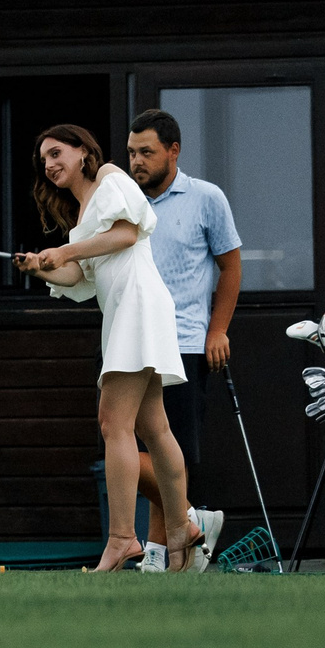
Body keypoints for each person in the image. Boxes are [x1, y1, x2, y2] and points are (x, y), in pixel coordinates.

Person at [12, 124, 195, 572]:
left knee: (113, 422)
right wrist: (41, 267)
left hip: (138, 303)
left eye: (57, 153)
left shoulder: (111, 176)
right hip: (125, 311)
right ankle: (181, 531)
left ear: (82, 151)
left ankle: (121, 539)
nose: (51, 164)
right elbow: (78, 279)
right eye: (44, 160)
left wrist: (65, 251)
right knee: (154, 427)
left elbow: (126, 235)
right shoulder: (79, 221)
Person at [124, 108, 240, 558]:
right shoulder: (126, 201)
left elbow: (230, 267)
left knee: (168, 450)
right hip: (128, 342)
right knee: (125, 448)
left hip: (185, 343)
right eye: (132, 153)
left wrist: (219, 330)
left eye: (147, 152)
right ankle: (189, 518)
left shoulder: (207, 197)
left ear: (173, 151)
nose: (137, 161)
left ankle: (160, 553)